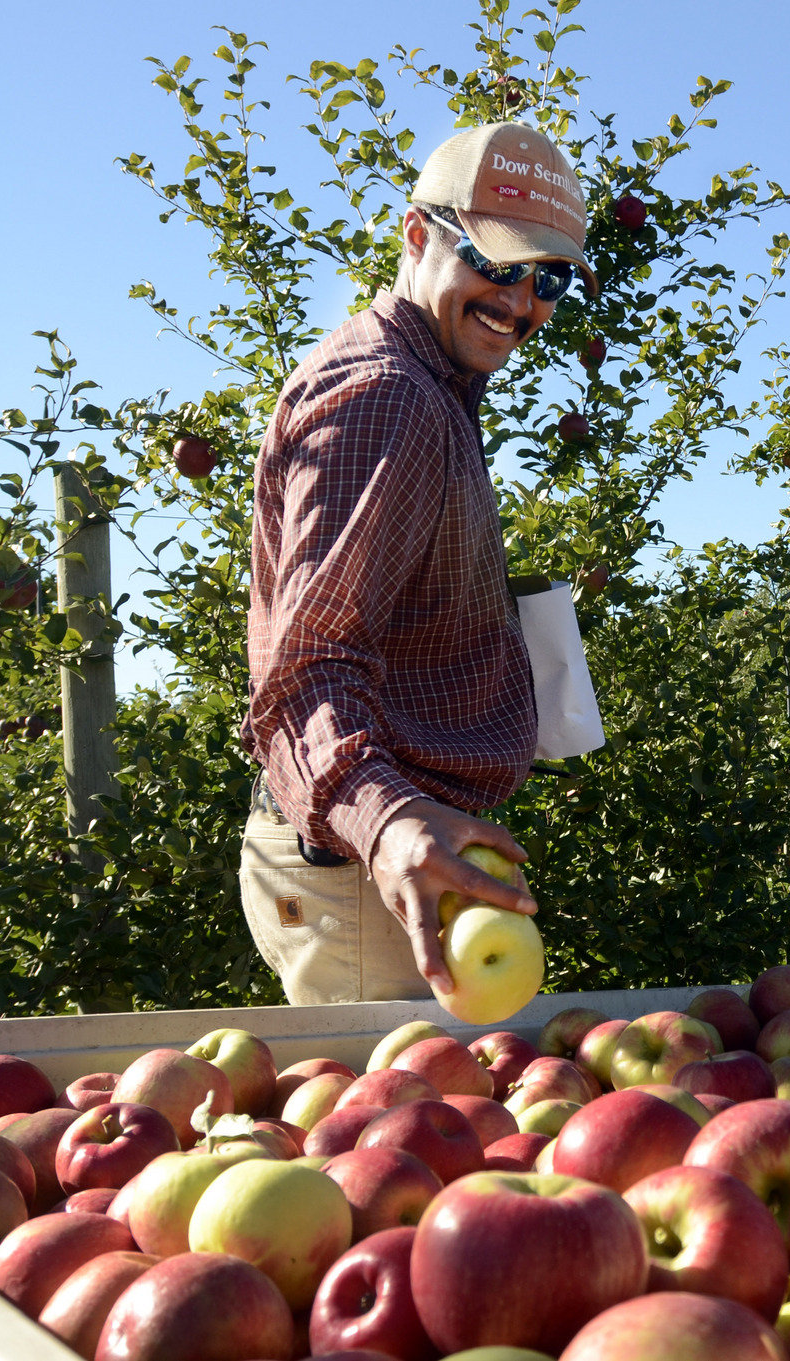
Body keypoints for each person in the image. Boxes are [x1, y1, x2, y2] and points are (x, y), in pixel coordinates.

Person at [237, 122, 599, 1005]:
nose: (521, 302)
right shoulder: (389, 398)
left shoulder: (431, 388)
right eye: (498, 263)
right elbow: (307, 669)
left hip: (400, 852)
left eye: (547, 279)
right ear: (416, 236)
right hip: (377, 866)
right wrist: (387, 819)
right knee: (393, 1138)